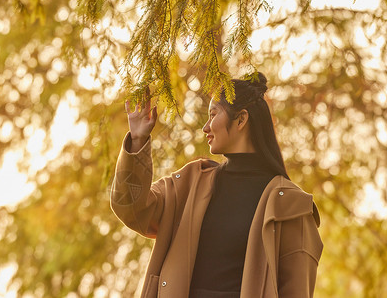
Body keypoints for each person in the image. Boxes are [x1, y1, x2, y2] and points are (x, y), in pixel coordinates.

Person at [110, 72, 323, 298]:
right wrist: (138, 140)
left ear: (241, 119)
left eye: (213, 115)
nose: (206, 127)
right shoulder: (190, 183)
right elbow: (132, 208)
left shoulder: (291, 206)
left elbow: (297, 290)